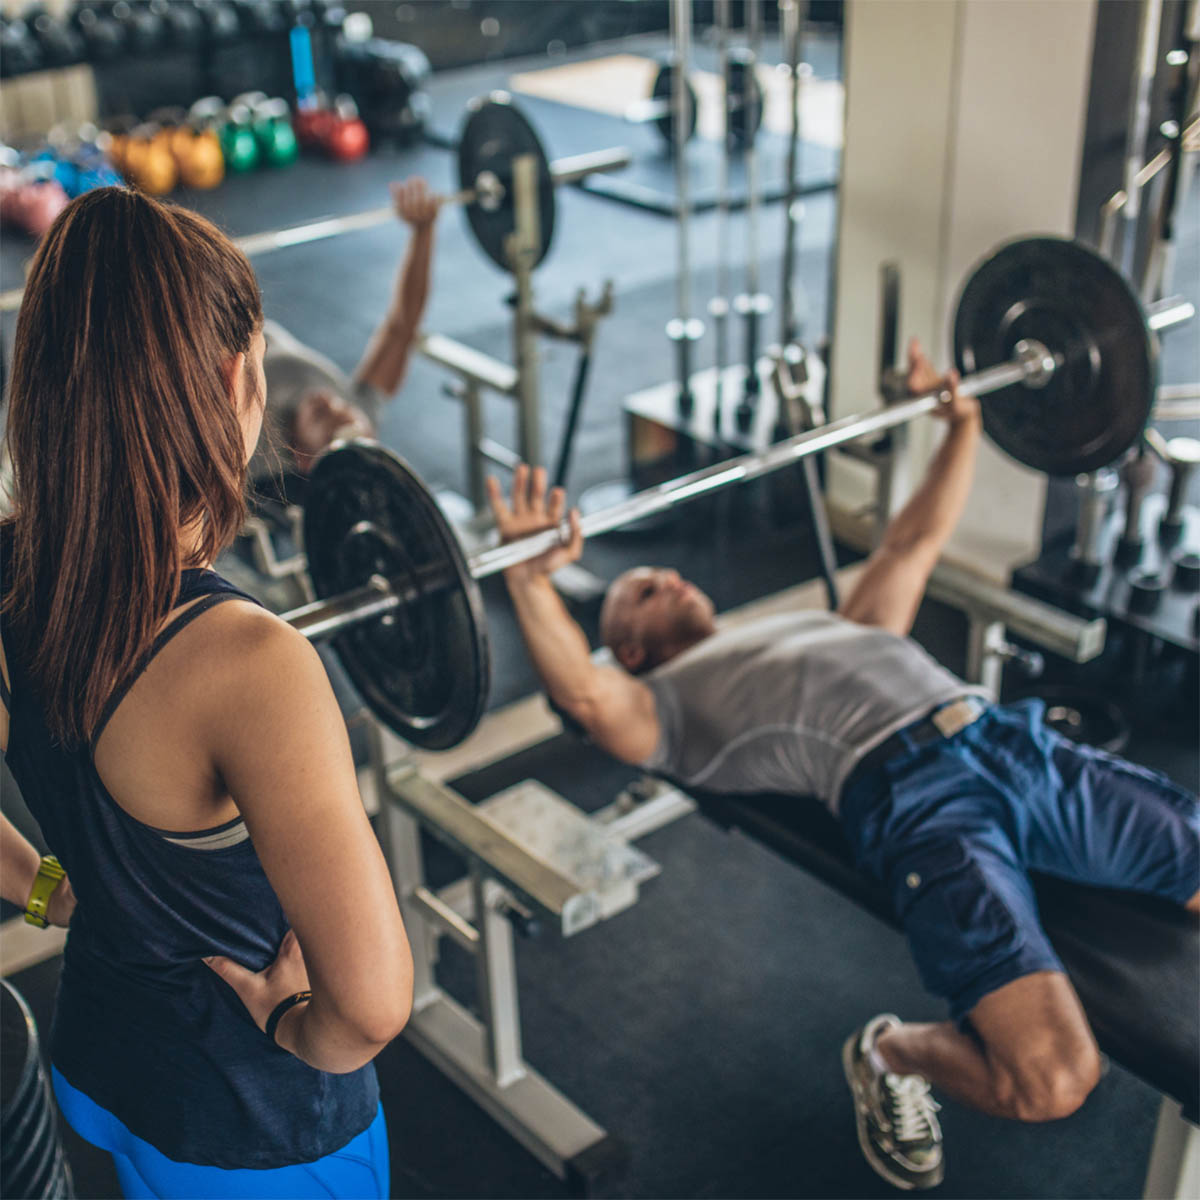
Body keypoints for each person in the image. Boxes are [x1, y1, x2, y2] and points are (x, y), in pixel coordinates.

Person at [486, 341, 1200, 1192]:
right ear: (630, 650)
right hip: (922, 808)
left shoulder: (831, 626)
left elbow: (911, 544)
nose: (668, 576)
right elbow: (587, 695)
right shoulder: (667, 708)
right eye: (643, 590)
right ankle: (890, 1052)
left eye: (660, 571)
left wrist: (961, 426)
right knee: (1052, 1080)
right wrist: (529, 582)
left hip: (1010, 742)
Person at [0, 186, 413, 1199]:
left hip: (103, 1063)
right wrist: (293, 1025)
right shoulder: (251, 665)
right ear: (238, 379)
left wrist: (52, 892)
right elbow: (368, 1008)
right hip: (257, 1127)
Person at [254, 176, 440, 484]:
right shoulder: (361, 416)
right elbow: (402, 327)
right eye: (341, 406)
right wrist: (424, 232)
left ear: (304, 459)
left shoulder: (254, 451)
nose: (329, 402)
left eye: (321, 416)